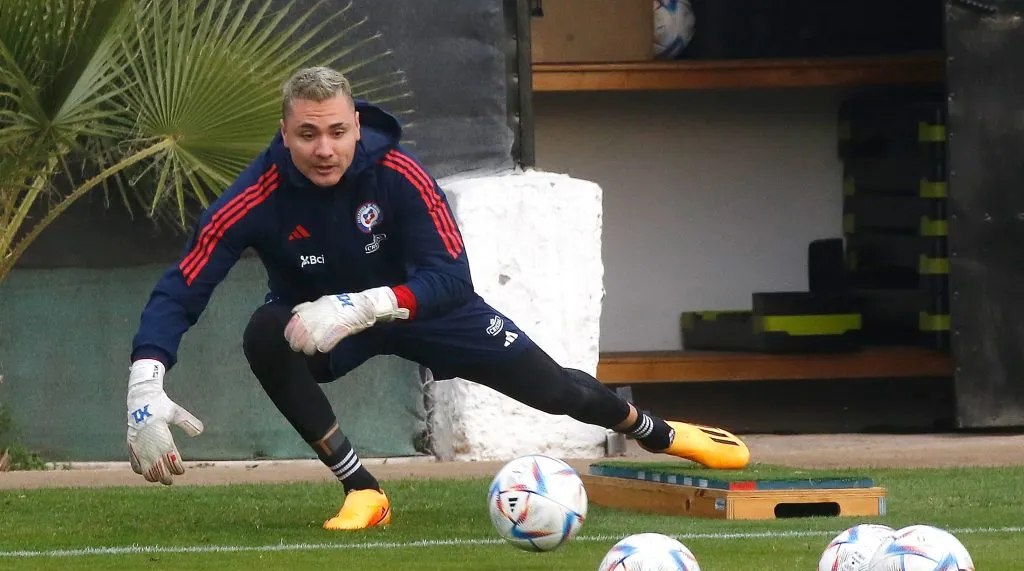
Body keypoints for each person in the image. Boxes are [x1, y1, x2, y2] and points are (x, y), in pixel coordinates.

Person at [126, 66, 749, 531]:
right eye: (308, 134)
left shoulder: (397, 171)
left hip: (424, 309)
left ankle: (656, 431)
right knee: (264, 334)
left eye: (338, 132)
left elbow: (452, 279)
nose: (325, 149)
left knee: (557, 390)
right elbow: (183, 284)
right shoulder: (255, 195)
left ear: (356, 126)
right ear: (284, 134)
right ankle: (362, 490)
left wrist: (363, 304)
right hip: (325, 328)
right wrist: (144, 385)